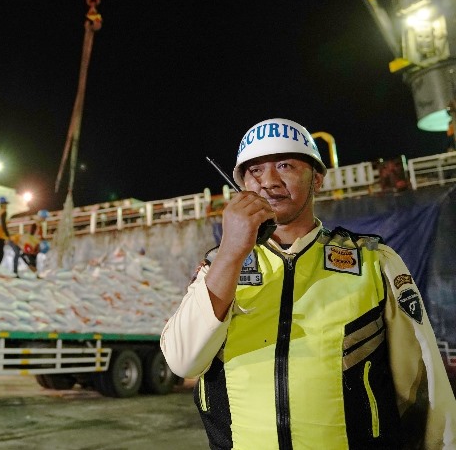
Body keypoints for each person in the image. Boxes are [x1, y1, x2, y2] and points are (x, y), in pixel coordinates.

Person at [160, 117, 456, 449]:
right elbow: (183, 361)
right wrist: (231, 251)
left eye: (284, 165)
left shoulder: (374, 261)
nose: (269, 181)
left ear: (317, 177)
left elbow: (426, 385)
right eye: (255, 171)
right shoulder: (220, 266)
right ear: (241, 185)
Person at [10, 209, 49, 276]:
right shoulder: (34, 225)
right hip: (16, 241)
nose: (45, 220)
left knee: (32, 256)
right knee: (18, 254)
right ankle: (15, 272)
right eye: (44, 218)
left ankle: (35, 272)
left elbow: (38, 236)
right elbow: (29, 237)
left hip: (26, 242)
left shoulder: (39, 226)